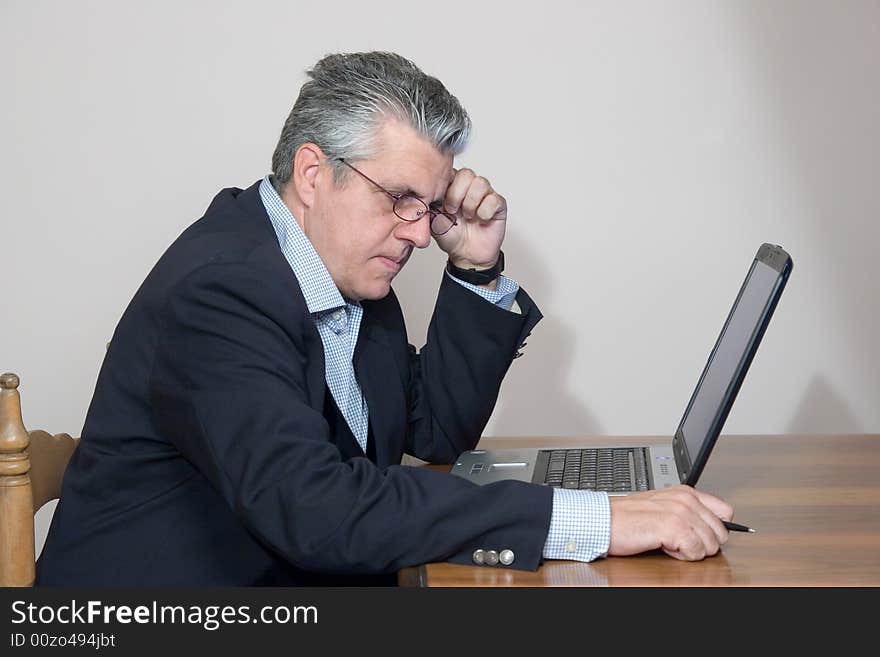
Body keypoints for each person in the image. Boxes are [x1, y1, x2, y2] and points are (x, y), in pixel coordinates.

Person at [37, 52, 734, 586]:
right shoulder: (223, 291)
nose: (419, 232)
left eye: (429, 206)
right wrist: (590, 519)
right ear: (313, 174)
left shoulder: (341, 270)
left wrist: (476, 267)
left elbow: (433, 429)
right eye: (400, 197)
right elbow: (314, 509)